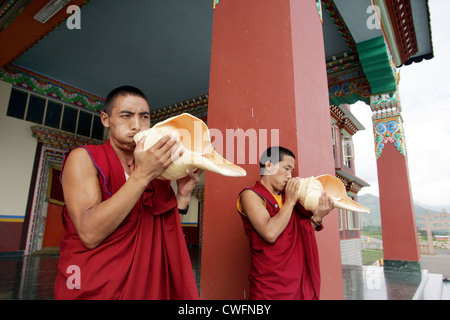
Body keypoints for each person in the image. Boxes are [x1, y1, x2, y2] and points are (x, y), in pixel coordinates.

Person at [54, 86, 201, 300]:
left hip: (146, 283)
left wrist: (183, 196)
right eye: (126, 116)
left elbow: (162, 230)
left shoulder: (156, 171)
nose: (136, 125)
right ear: (105, 119)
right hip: (95, 283)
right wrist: (142, 176)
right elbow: (89, 234)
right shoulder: (84, 158)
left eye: (144, 117)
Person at [237, 146, 334, 300]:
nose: (290, 176)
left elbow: (303, 229)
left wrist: (317, 217)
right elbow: (270, 233)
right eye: (286, 169)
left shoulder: (289, 198)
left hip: (297, 282)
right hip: (269, 285)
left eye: (292, 171)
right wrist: (290, 201)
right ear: (268, 165)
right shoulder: (251, 195)